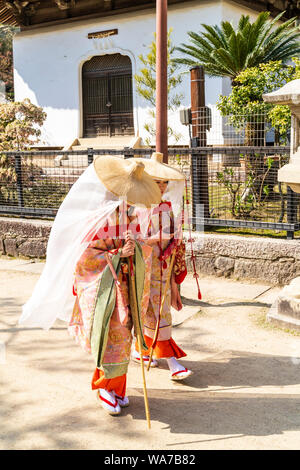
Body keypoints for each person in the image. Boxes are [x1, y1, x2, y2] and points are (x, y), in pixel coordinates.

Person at [19, 156, 161, 416]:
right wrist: (119, 254)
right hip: (105, 288)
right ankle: (103, 386)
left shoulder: (130, 217)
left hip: (126, 285)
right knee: (108, 336)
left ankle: (117, 387)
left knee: (124, 335)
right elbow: (86, 257)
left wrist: (137, 249)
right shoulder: (97, 217)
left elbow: (140, 249)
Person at [132, 153, 193, 380]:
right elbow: (132, 237)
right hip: (144, 267)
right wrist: (152, 239)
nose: (161, 186)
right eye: (157, 181)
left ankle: (151, 352)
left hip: (162, 268)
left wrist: (167, 239)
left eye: (164, 182)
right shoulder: (136, 208)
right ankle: (168, 359)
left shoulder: (166, 208)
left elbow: (168, 238)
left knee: (160, 310)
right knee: (148, 310)